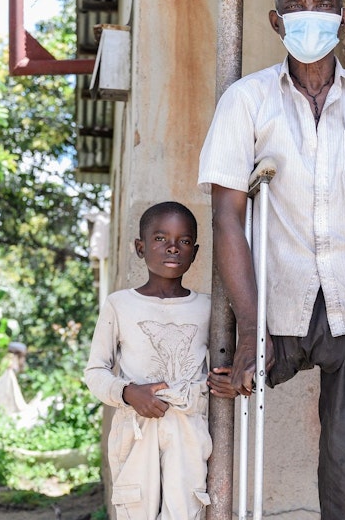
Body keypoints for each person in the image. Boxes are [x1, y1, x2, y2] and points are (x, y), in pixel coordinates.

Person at [197, 0, 345, 520]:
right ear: (277, 21)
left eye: (322, 5)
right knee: (219, 384)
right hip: (277, 302)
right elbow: (227, 216)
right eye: (296, 7)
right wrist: (250, 329)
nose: (310, 17)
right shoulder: (246, 102)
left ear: (343, 19)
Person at [84, 201, 236, 520]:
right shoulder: (119, 305)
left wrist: (229, 380)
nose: (172, 248)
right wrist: (128, 392)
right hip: (134, 429)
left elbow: (226, 365)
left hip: (188, 431)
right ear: (141, 248)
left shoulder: (210, 308)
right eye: (160, 239)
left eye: (183, 241)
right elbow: (95, 372)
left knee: (185, 510)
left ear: (194, 252)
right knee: (135, 509)